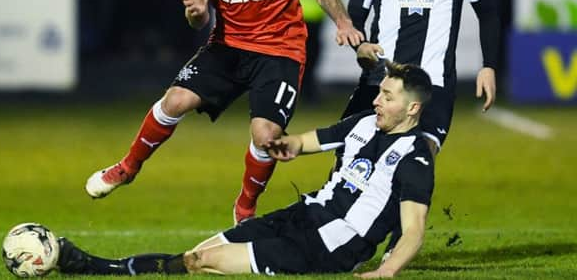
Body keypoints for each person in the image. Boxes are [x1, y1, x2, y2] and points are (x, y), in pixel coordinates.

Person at [85, 0, 364, 224]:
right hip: (229, 46)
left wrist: (343, 22)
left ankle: (245, 209)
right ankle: (128, 167)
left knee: (266, 137)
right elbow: (198, 13)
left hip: (281, 51)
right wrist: (197, 12)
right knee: (174, 101)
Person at [57, 61, 434, 277]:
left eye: (387, 96)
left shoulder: (415, 157)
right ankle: (105, 267)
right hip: (304, 214)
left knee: (206, 261)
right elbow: (305, 141)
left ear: (413, 109)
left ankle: (94, 267)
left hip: (333, 243)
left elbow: (413, 231)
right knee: (204, 250)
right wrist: (284, 144)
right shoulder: (364, 123)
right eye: (379, 92)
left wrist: (384, 274)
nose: (376, 100)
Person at [340, 0, 499, 255]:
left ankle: (399, 245)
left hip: (434, 86)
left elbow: (489, 13)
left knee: (415, 160)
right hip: (380, 81)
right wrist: (358, 44)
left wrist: (489, 65)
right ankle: (338, 232)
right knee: (348, 159)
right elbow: (355, 16)